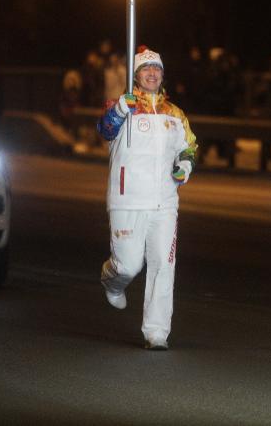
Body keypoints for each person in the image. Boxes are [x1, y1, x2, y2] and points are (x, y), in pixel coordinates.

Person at [97, 48, 198, 350]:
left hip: (165, 203)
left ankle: (156, 332)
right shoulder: (122, 106)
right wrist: (119, 110)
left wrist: (184, 167)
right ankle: (112, 279)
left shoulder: (175, 114)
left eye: (157, 68)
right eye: (146, 69)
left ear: (162, 74)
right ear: (136, 75)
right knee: (128, 266)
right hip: (127, 199)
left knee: (163, 266)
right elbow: (104, 130)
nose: (152, 73)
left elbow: (189, 148)